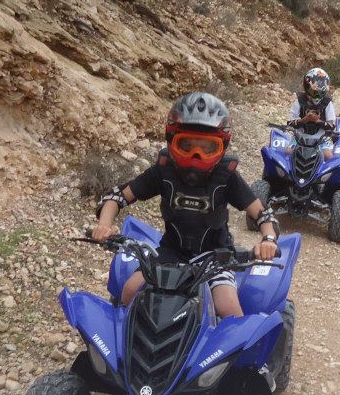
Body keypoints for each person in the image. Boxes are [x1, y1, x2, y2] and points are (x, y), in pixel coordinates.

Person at [92, 92, 279, 318]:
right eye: (187, 145)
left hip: (216, 257)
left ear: (223, 146)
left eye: (207, 147)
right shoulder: (163, 171)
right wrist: (104, 225)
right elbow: (117, 197)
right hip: (170, 253)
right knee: (130, 290)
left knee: (229, 310)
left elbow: (262, 214)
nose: (196, 155)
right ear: (171, 140)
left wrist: (268, 240)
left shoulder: (226, 177)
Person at [287, 68, 336, 160]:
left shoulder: (327, 103)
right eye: (314, 92)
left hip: (321, 139)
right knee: (287, 153)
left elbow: (331, 125)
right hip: (300, 137)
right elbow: (291, 123)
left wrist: (317, 121)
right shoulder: (300, 101)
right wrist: (305, 120)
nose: (317, 95)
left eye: (320, 92)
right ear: (307, 88)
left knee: (328, 157)